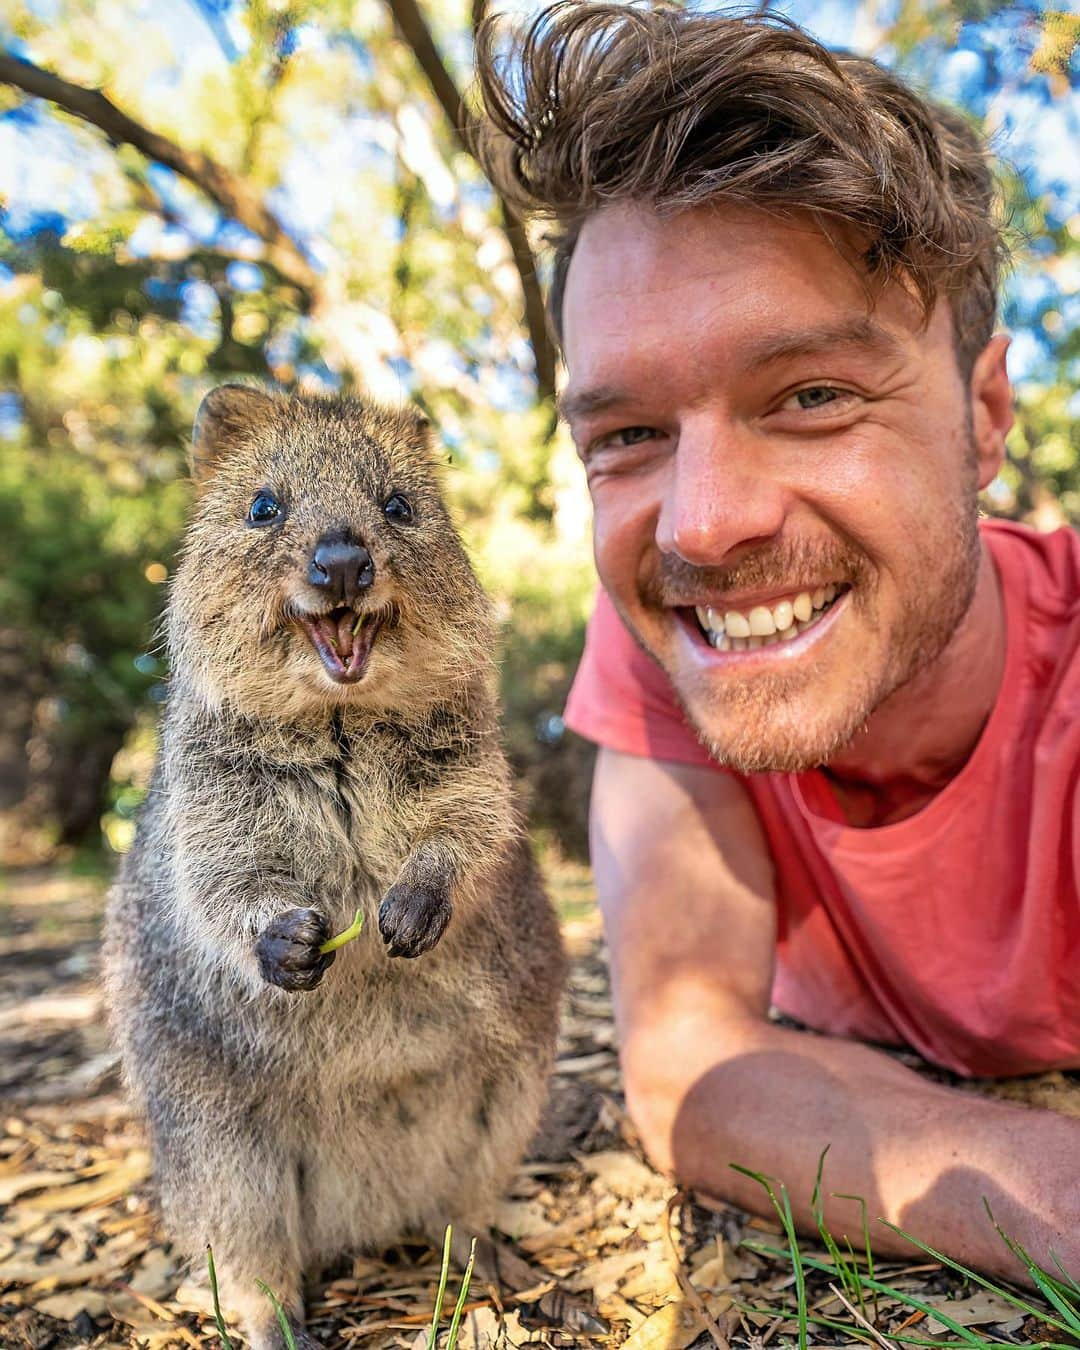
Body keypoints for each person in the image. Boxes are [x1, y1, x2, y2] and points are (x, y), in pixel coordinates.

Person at [475, 2, 1080, 1281]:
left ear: (982, 418)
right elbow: (688, 1056)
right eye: (628, 434)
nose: (701, 527)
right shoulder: (654, 641)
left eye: (810, 396)